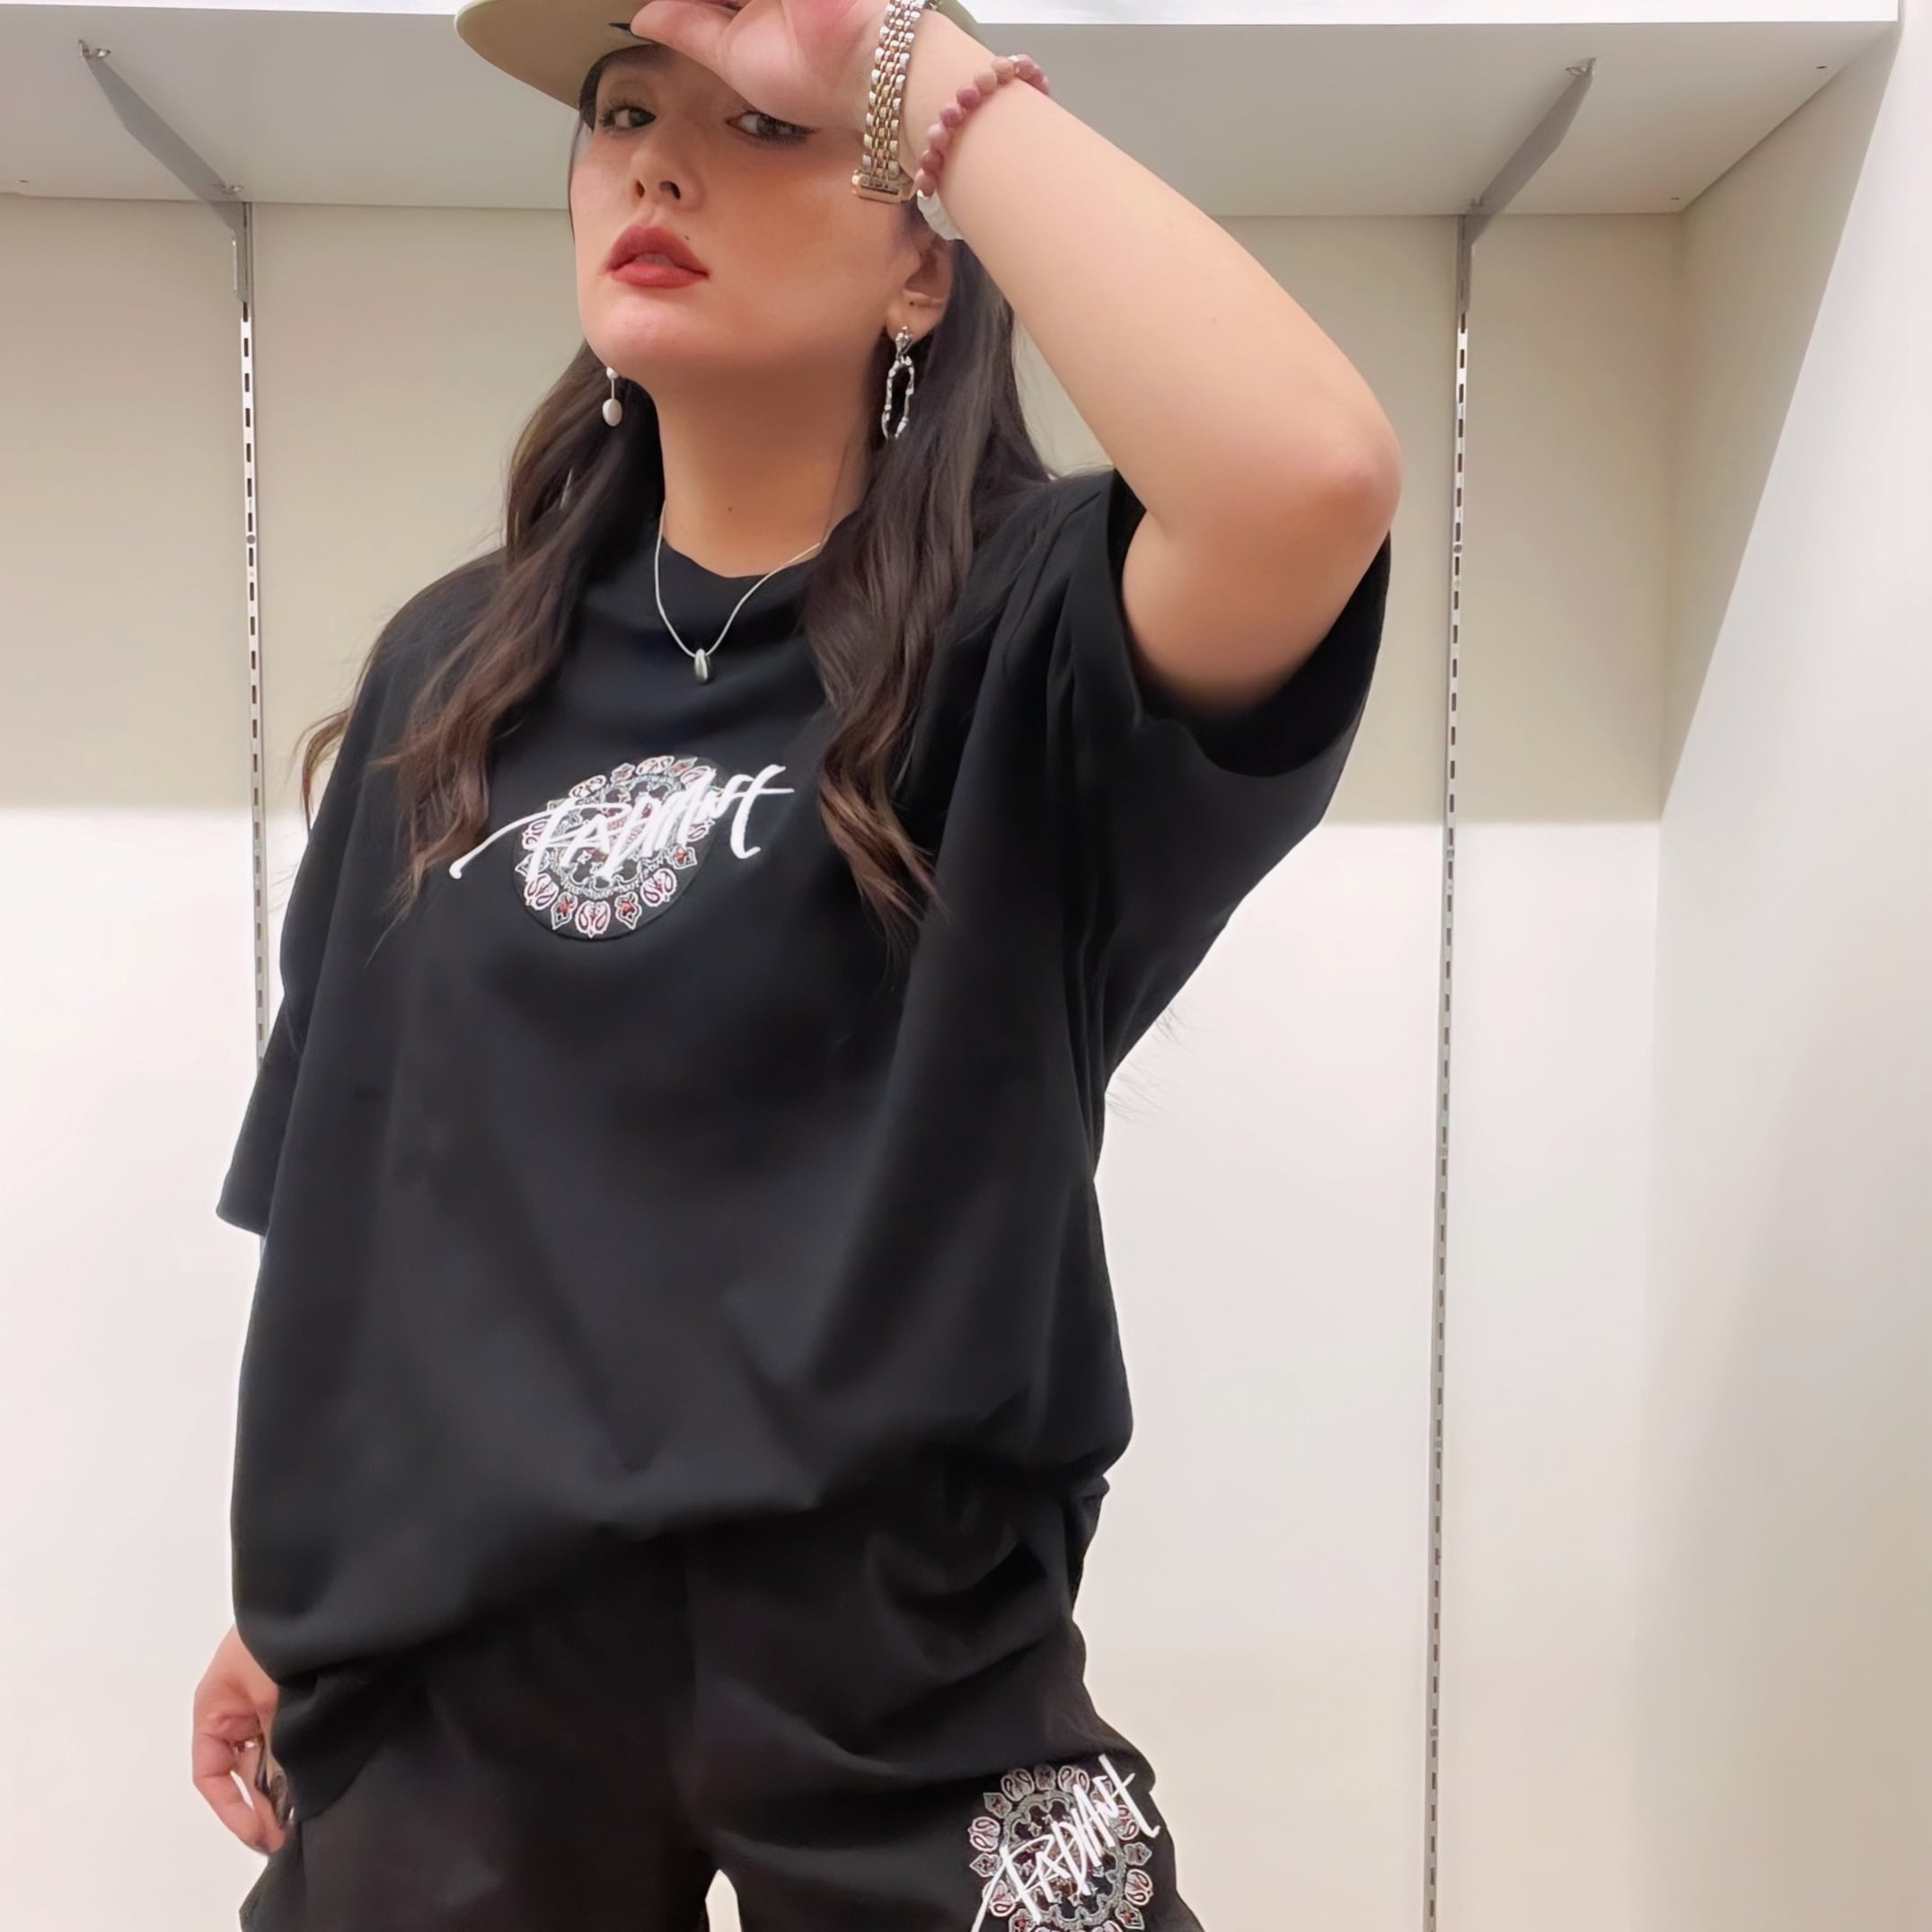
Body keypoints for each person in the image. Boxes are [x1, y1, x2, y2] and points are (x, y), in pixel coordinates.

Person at [190, 0, 1400, 1926]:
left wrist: (912, 76)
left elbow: (1308, 476)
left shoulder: (1027, 635)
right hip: (467, 1689)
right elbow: (352, 1182)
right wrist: (292, 1594)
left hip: (898, 1674)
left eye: (760, 128)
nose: (656, 165)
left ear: (923, 261)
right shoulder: (452, 673)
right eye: (620, 113)